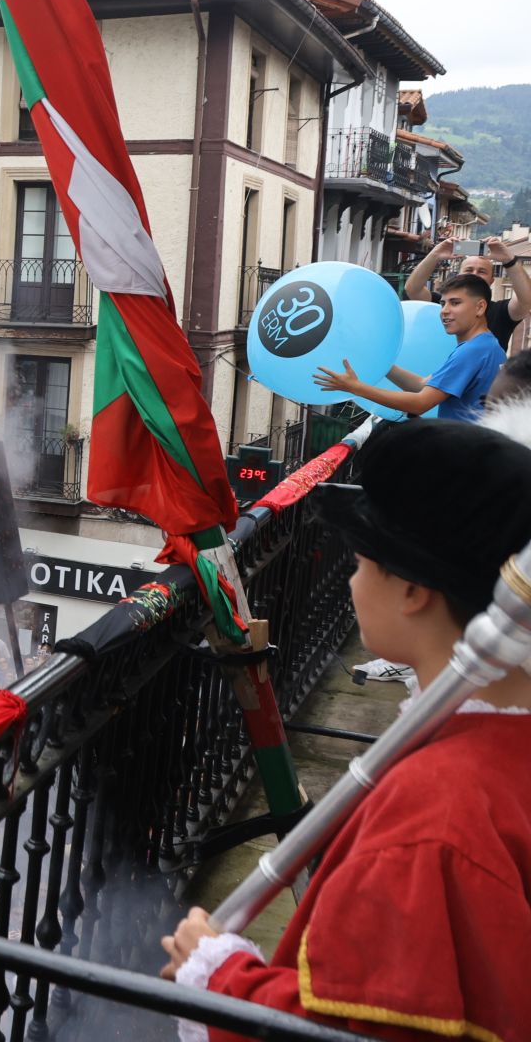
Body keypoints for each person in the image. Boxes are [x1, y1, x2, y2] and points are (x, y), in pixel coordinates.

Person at [161, 420, 531, 1041]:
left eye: (360, 562)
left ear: (413, 590)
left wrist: (220, 979)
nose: (353, 581)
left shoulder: (431, 816)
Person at [314, 274, 504, 423]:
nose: (444, 311)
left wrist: (356, 387)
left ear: (480, 307)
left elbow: (421, 403)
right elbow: (422, 385)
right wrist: (382, 363)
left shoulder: (472, 351)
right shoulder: (487, 346)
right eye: (443, 303)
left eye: (455, 303)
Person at [404, 233, 529, 350]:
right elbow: (413, 289)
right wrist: (435, 254)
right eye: (469, 270)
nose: (474, 275)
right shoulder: (443, 303)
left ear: (492, 281)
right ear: (458, 276)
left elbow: (526, 300)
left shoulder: (501, 312)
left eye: (482, 271)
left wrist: (508, 259)